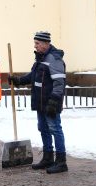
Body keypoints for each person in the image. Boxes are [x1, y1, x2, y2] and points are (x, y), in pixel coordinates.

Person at [9, 31, 68, 174]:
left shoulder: (54, 59)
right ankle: (48, 157)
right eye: (35, 43)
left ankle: (61, 162)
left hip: (50, 102)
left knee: (55, 129)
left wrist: (54, 101)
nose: (35, 46)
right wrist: (19, 80)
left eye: (37, 43)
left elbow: (59, 82)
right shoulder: (41, 58)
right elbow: (33, 76)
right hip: (40, 102)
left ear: (46, 44)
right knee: (43, 128)